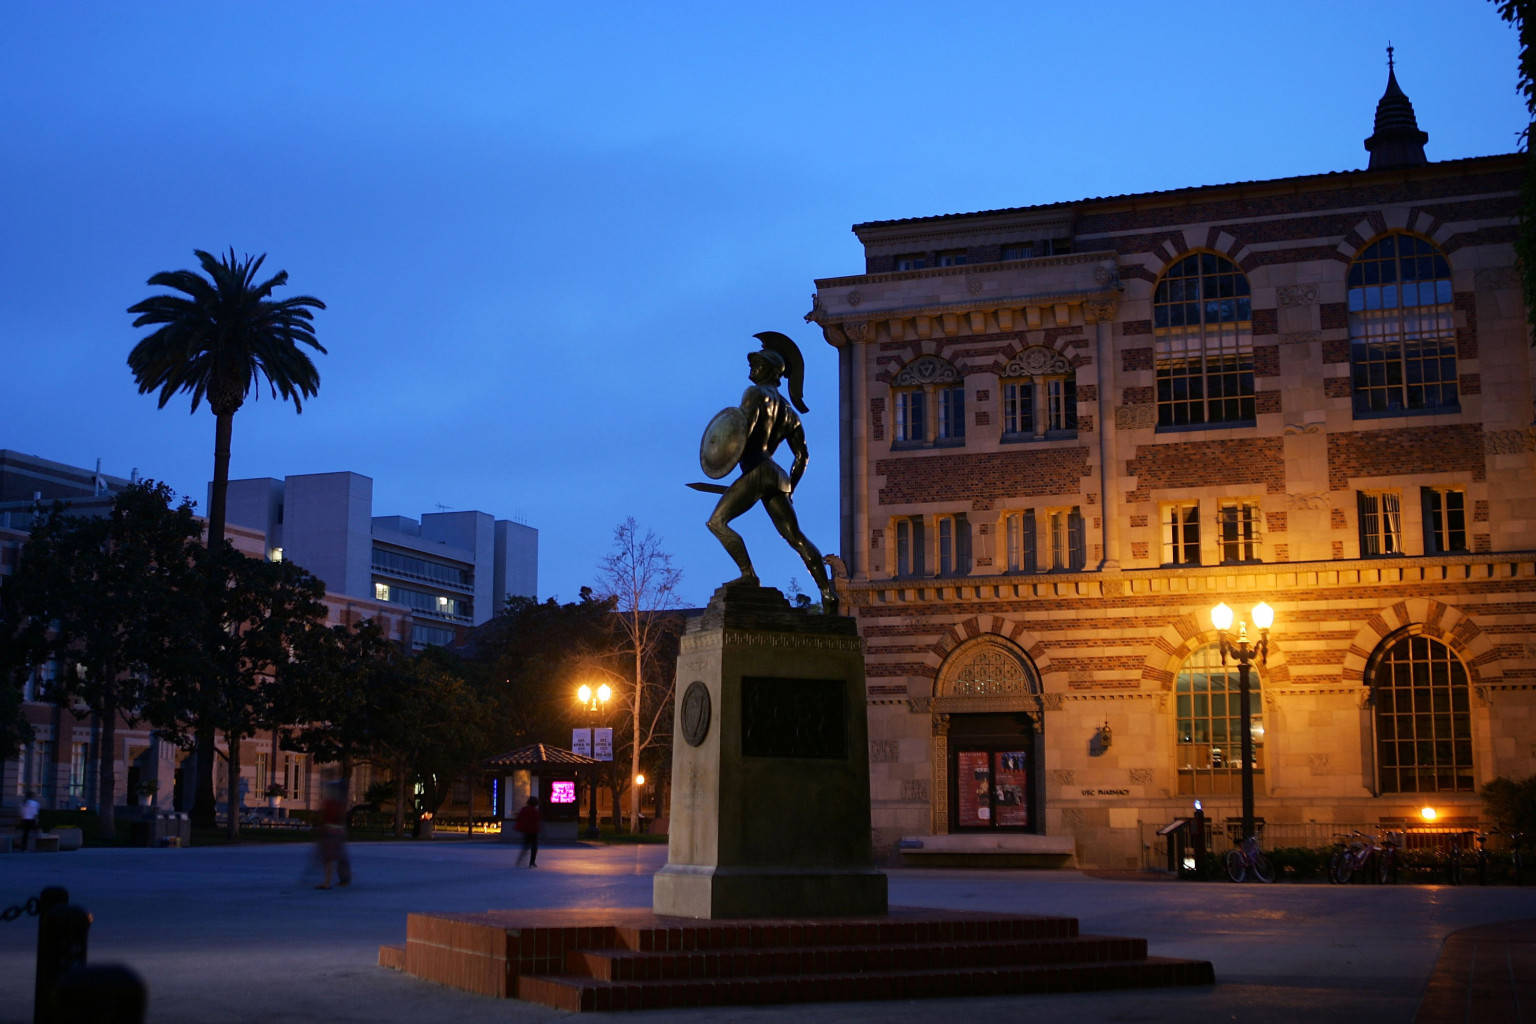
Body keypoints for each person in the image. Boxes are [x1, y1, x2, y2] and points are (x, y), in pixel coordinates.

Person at [703, 332, 838, 613]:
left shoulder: (754, 394)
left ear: (772, 370)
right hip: (777, 475)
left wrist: (731, 469)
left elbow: (744, 431)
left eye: (757, 363)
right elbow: (803, 456)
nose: (751, 367)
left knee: (717, 522)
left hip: (758, 470)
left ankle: (748, 574)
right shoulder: (790, 412)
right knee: (795, 537)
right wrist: (791, 488)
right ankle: (827, 593)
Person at [315, 781, 350, 889]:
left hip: (331, 831)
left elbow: (327, 817)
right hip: (337, 831)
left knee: (329, 857)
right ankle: (343, 879)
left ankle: (327, 882)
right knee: (339, 856)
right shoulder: (339, 804)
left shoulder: (331, 803)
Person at [513, 795, 541, 868]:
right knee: (534, 847)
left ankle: (520, 860)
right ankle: (532, 862)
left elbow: (519, 818)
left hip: (526, 830)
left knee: (526, 845)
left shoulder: (524, 809)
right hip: (533, 831)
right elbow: (537, 821)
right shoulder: (535, 811)